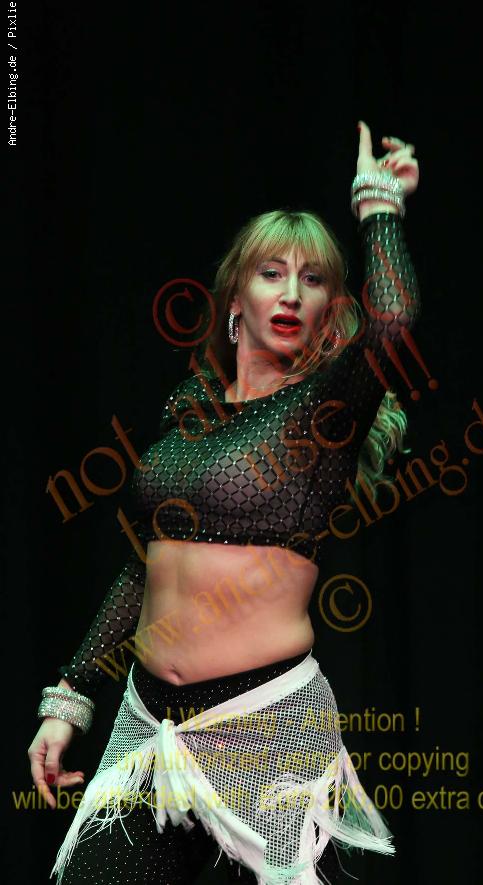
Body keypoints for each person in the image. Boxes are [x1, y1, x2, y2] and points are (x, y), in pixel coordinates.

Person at [28, 120, 421, 884]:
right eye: (272, 272)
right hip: (149, 727)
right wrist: (70, 693)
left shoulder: (325, 413)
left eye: (313, 279)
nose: (291, 292)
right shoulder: (189, 409)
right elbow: (144, 568)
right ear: (237, 298)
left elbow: (394, 322)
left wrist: (379, 205)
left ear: (329, 309)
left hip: (265, 727)